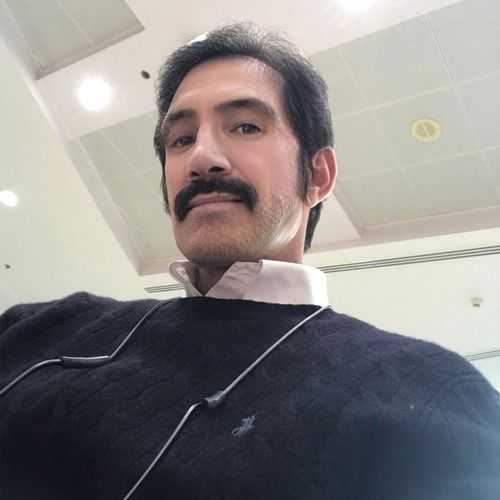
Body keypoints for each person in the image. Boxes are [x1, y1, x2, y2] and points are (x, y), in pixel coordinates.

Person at [0, 23, 499, 500]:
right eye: (181, 139)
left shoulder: (430, 394)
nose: (202, 158)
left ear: (318, 175)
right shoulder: (47, 327)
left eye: (245, 126)